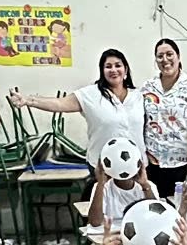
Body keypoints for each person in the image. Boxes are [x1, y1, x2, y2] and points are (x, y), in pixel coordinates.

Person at [9, 48, 143, 163]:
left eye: (118, 65)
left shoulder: (138, 96)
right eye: (108, 66)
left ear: (125, 69)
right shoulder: (91, 94)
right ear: (102, 71)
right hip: (102, 166)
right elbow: (60, 103)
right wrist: (29, 100)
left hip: (137, 164)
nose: (113, 70)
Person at [138, 38, 187, 196]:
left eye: (169, 54)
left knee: (179, 206)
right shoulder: (148, 87)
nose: (165, 60)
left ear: (178, 56)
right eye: (160, 56)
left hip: (182, 165)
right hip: (153, 163)